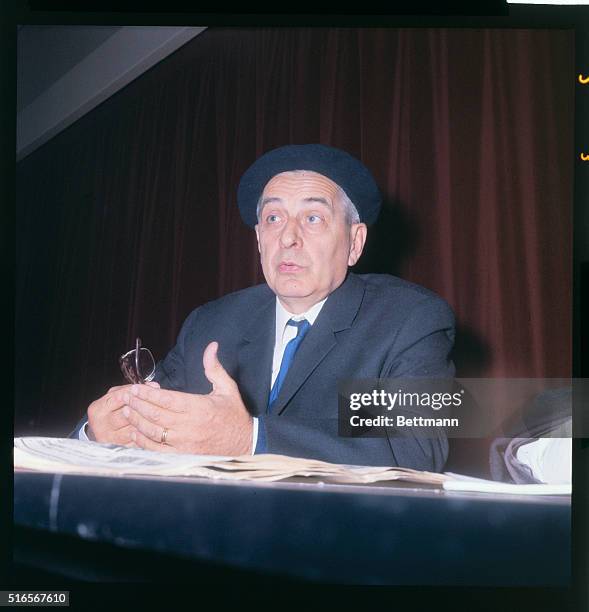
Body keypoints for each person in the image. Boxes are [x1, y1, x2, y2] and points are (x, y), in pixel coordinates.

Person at [71, 144, 456, 470]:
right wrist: (97, 434)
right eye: (273, 218)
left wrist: (251, 439)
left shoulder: (410, 320)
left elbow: (415, 452)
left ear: (355, 243)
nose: (288, 237)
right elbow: (148, 417)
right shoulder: (210, 324)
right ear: (258, 239)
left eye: (313, 217)